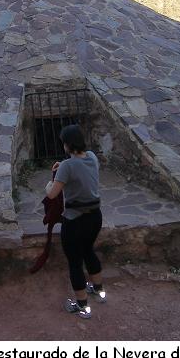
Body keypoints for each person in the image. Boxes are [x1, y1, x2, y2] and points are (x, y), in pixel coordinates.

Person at [46, 125, 106, 319]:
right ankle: (98, 290)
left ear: (67, 144)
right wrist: (63, 169)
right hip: (95, 217)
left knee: (74, 262)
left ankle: (82, 306)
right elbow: (80, 172)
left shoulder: (67, 166)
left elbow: (52, 194)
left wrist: (51, 180)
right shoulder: (92, 157)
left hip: (75, 221)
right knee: (88, 251)